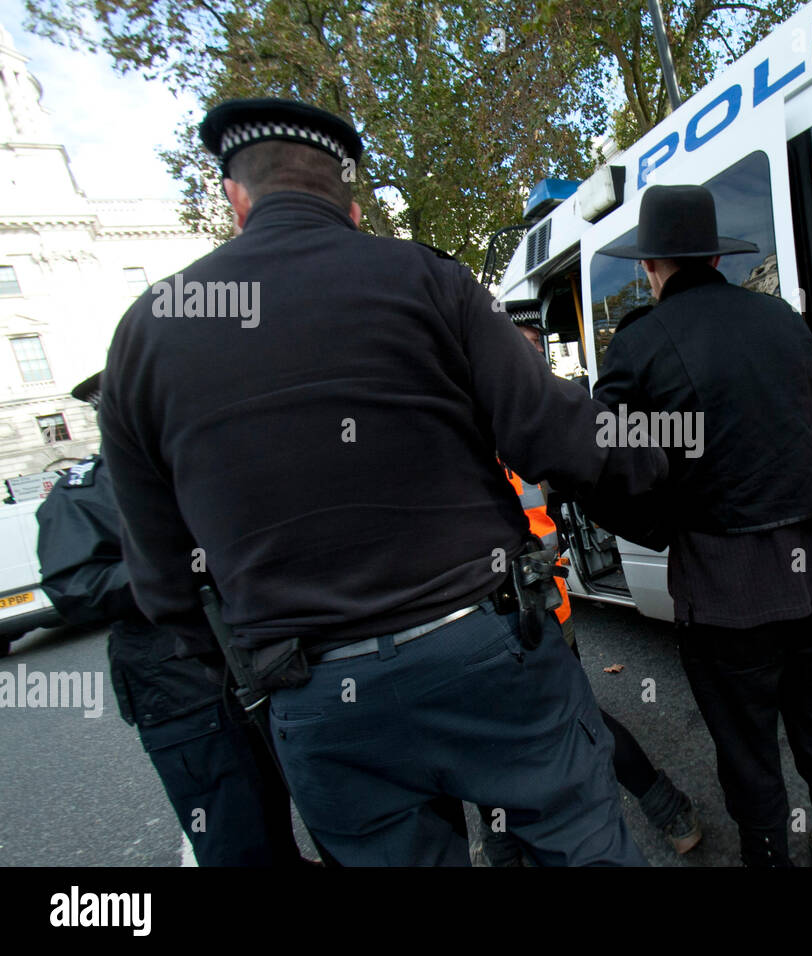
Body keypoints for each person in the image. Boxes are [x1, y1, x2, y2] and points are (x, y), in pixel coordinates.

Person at [97, 98, 666, 866]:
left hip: (315, 692)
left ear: (235, 198)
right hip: (482, 650)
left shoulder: (146, 331)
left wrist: (262, 665)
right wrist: (663, 462)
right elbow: (556, 433)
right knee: (576, 845)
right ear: (351, 202)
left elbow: (162, 580)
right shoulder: (421, 277)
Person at [593, 185, 812, 867]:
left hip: (724, 589)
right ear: (715, 253)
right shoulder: (781, 319)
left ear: (650, 266)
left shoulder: (640, 347)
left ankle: (770, 857)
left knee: (748, 750)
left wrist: (659, 522)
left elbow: (601, 464)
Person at [36, 372, 306, 866]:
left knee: (324, 807)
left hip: (273, 664)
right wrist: (178, 566)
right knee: (236, 836)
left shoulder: (209, 465)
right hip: (182, 691)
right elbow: (77, 589)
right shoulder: (85, 492)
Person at [470, 314, 700, 865]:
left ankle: (659, 807)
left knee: (514, 732)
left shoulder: (466, 413)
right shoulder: (523, 410)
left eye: (534, 349)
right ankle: (666, 809)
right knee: (553, 721)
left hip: (512, 610)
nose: (531, 360)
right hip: (523, 605)